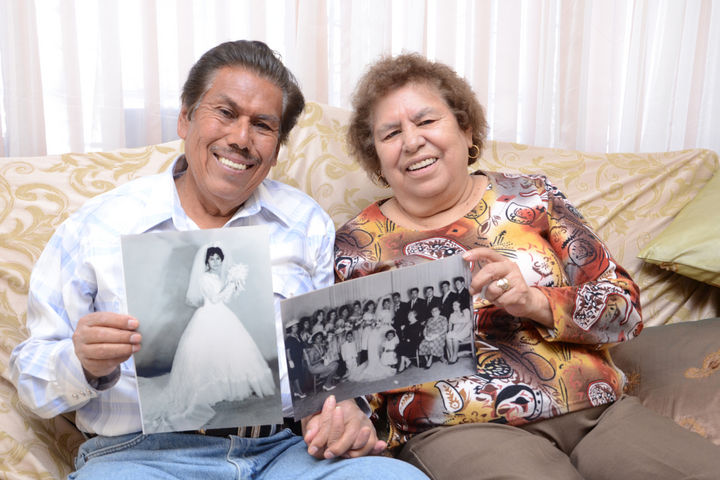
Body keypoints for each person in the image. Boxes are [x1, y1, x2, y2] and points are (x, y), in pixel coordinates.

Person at [9, 41, 428, 479]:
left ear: (276, 148)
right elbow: (31, 382)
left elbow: (326, 369)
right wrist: (82, 362)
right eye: (225, 113)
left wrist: (342, 412)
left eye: (262, 125)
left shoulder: (306, 223)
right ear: (185, 118)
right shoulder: (99, 224)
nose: (241, 139)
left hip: (280, 452)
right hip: (140, 456)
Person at [331, 52, 720, 479]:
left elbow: (623, 309)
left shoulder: (532, 196)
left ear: (465, 129)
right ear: (376, 157)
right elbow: (353, 381)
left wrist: (534, 301)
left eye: (426, 121)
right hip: (463, 431)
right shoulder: (358, 245)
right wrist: (352, 423)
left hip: (599, 412)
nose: (411, 141)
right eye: (391, 133)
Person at [156, 243, 275, 432]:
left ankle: (233, 386)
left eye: (218, 259)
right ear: (207, 262)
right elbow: (214, 299)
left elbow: (225, 299)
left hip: (222, 313)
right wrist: (230, 283)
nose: (215, 262)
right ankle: (210, 390)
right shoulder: (204, 278)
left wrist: (234, 285)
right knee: (211, 351)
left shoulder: (217, 277)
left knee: (231, 351)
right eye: (212, 259)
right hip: (209, 315)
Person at [444, 299, 472, 363]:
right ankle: (451, 355)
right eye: (453, 305)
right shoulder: (452, 314)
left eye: (455, 304)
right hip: (456, 329)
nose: (453, 306)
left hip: (465, 329)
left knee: (455, 338)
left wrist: (457, 332)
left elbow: (465, 322)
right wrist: (449, 332)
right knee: (448, 336)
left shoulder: (466, 311)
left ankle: (455, 356)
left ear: (460, 305)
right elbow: (450, 324)